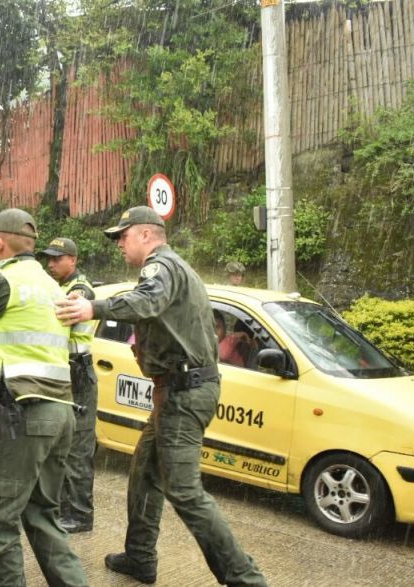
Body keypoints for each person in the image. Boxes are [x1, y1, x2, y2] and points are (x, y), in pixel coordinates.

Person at [56, 206, 267, 586]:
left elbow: (146, 302)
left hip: (185, 393)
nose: (119, 244)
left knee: (184, 491)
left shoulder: (161, 267)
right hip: (177, 391)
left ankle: (245, 578)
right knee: (144, 473)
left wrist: (93, 307)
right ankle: (140, 557)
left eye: (123, 236)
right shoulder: (172, 270)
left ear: (146, 235)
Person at [0, 208, 88, 587]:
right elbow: (32, 356)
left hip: (24, 418)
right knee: (42, 515)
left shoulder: (3, 281)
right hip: (60, 417)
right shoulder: (50, 285)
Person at [35, 236, 98, 534]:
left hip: (78, 374)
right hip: (66, 372)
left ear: (73, 259)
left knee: (78, 448)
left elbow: (54, 319)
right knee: (61, 444)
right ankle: (61, 508)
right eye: (48, 258)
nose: (51, 263)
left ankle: (81, 515)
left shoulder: (79, 290)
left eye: (57, 258)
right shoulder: (61, 287)